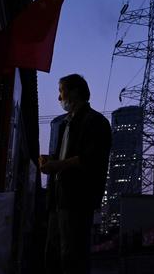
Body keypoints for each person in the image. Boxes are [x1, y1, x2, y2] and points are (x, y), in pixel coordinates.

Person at [39, 74, 112, 274]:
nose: (59, 98)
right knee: (54, 253)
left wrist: (56, 165)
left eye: (61, 91)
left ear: (75, 92)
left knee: (72, 255)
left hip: (78, 198)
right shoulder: (64, 123)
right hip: (58, 198)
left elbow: (90, 159)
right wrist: (50, 161)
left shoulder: (96, 122)